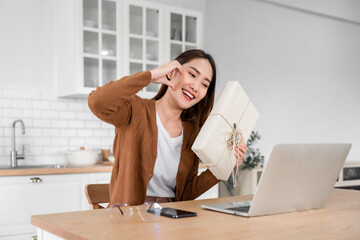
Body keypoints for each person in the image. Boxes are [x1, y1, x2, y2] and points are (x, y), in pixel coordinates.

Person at [88, 49, 248, 206]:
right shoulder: (135, 110)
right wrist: (150, 76)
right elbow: (98, 102)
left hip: (171, 219)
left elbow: (186, 193)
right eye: (192, 75)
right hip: (129, 221)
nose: (196, 87)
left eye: (205, 84)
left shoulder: (193, 132)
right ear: (172, 72)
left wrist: (224, 165)